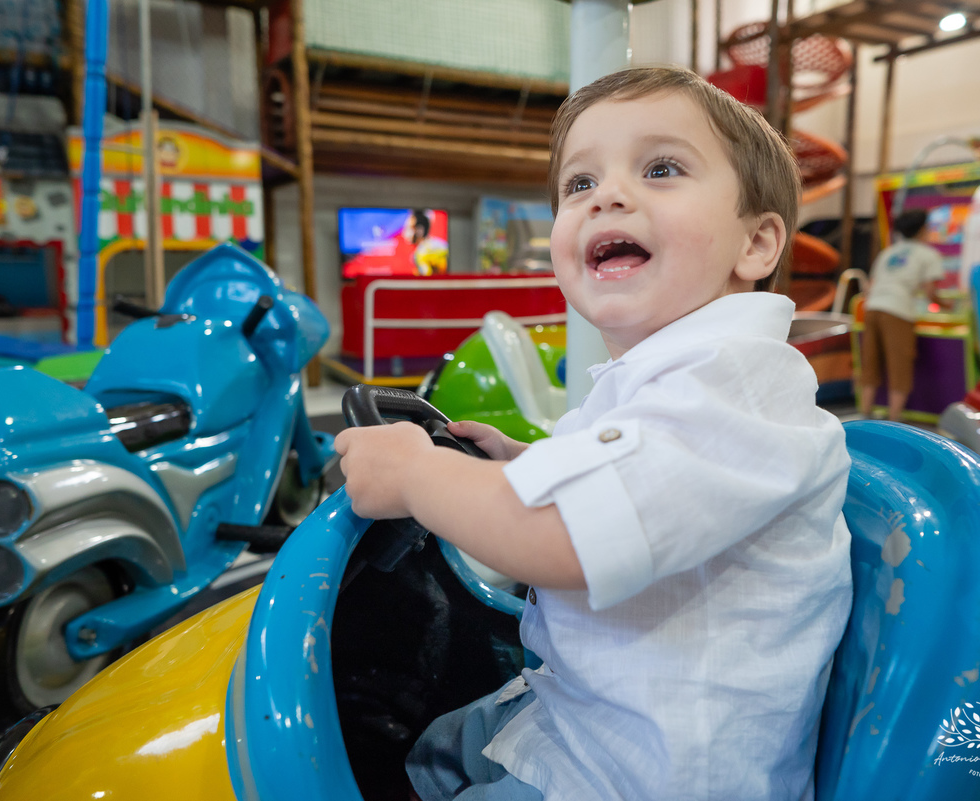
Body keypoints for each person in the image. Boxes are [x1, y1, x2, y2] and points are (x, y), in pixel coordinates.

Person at [335, 66, 853, 801]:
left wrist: (420, 475)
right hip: (580, 721)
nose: (606, 195)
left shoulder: (738, 384)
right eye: (579, 184)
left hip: (644, 777)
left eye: (662, 168)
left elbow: (566, 538)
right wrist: (522, 461)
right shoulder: (659, 378)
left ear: (757, 244)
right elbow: (632, 479)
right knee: (424, 748)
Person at [860, 209, 948, 422]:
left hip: (872, 309)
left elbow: (870, 287)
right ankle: (894, 420)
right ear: (923, 229)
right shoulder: (928, 254)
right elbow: (931, 294)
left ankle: (863, 417)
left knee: (870, 364)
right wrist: (949, 305)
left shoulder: (888, 252)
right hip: (898, 311)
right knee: (900, 366)